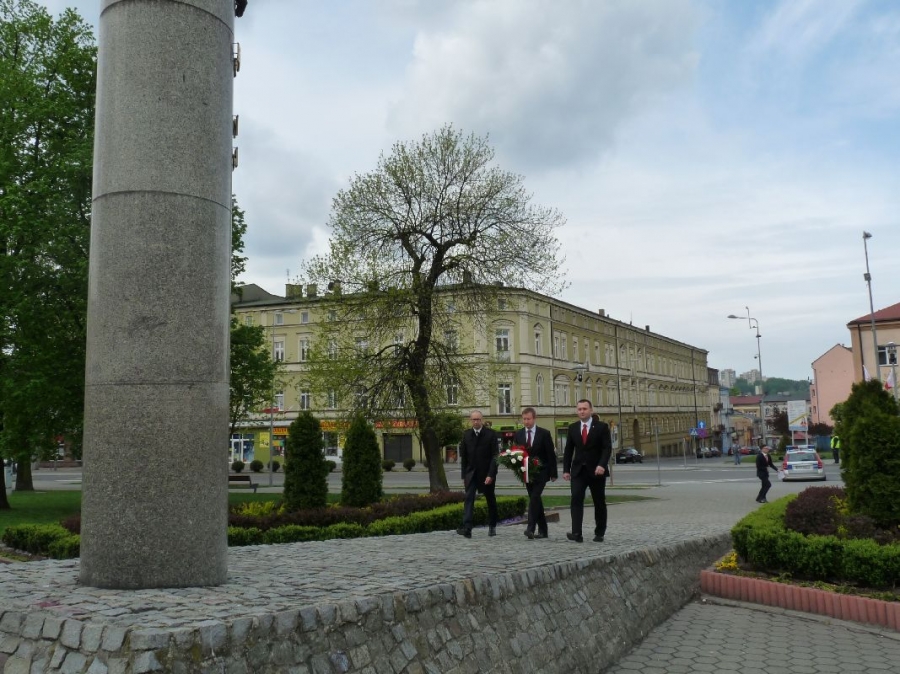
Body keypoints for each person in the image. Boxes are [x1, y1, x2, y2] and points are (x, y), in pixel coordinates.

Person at [563, 399, 612, 543]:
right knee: (576, 499)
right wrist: (566, 470)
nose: (582, 411)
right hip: (578, 471)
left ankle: (599, 532)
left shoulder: (601, 427)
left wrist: (602, 465)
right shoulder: (573, 428)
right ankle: (576, 533)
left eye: (584, 409)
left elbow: (606, 448)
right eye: (579, 409)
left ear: (591, 410)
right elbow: (568, 450)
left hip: (596, 471)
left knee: (599, 501)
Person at [514, 407, 558, 539]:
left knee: (534, 498)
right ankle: (543, 530)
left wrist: (553, 473)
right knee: (536, 500)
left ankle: (530, 528)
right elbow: (516, 453)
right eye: (524, 419)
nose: (526, 421)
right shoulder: (519, 434)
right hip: (527, 472)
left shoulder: (544, 433)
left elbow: (550, 454)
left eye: (528, 419)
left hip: (542, 471)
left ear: (534, 418)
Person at [457, 410, 499, 538]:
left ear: (482, 420)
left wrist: (491, 474)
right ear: (470, 420)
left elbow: (495, 457)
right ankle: (467, 528)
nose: (476, 422)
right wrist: (464, 476)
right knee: (469, 498)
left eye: (478, 419)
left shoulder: (491, 434)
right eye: (473, 419)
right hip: (471, 474)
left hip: (486, 473)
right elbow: (464, 458)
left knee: (490, 499)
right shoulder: (466, 435)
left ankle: (492, 526)